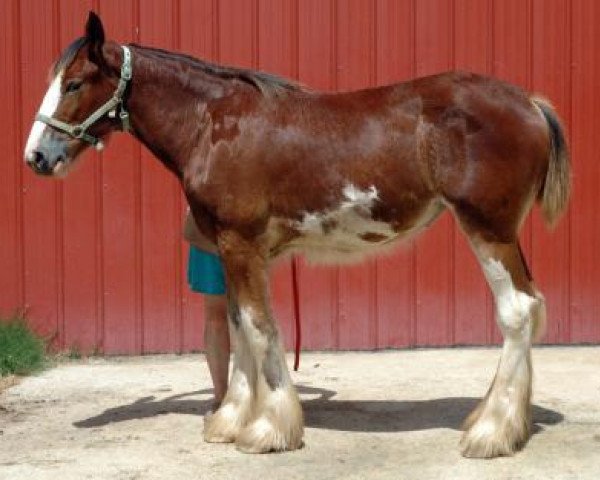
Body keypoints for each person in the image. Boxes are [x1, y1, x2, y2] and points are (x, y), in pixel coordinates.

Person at [184, 211, 230, 409]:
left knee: (245, 316)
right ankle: (222, 398)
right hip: (209, 227)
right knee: (218, 317)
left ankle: (239, 396)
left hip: (243, 229)